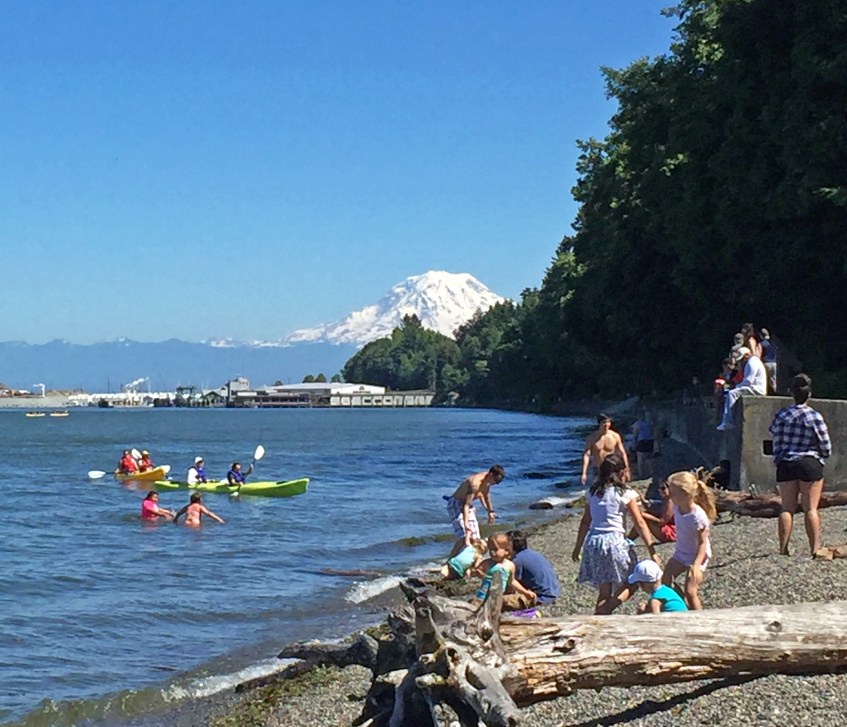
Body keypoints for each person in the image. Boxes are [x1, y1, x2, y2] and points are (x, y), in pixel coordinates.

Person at [572, 453, 659, 615]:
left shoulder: (593, 492)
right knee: (633, 581)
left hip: (594, 542)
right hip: (614, 542)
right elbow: (639, 522)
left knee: (604, 590)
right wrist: (651, 549)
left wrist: (578, 547)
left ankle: (601, 616)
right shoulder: (625, 493)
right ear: (621, 472)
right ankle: (607, 609)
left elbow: (585, 522)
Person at [769, 373, 831, 556]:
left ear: (792, 393)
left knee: (787, 507)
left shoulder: (781, 415)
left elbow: (774, 436)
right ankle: (814, 548)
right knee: (810, 508)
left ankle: (783, 548)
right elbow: (825, 444)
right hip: (809, 463)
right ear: (809, 394)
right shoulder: (814, 416)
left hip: (786, 463)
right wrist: (822, 456)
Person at [661, 470, 716, 610]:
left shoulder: (697, 516)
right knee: (665, 581)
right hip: (681, 553)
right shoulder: (677, 507)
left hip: (698, 555)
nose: (669, 494)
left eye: (672, 492)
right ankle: (683, 607)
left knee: (690, 591)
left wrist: (696, 566)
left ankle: (700, 620)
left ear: (685, 494)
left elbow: (702, 543)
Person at [444, 465, 506, 559]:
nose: (495, 484)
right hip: (456, 505)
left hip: (467, 506)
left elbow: (485, 495)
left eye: (498, 482)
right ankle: (450, 560)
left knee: (476, 538)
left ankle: (473, 560)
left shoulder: (487, 482)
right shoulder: (475, 483)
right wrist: (466, 524)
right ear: (490, 474)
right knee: (464, 536)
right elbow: (466, 505)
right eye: (496, 481)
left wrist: (490, 511)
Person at [471, 532, 536, 609]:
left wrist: (525, 592)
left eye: (495, 549)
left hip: (498, 597)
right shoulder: (487, 563)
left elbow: (512, 582)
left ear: (506, 551)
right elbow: (473, 572)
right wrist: (477, 573)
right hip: (482, 596)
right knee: (475, 609)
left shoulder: (510, 565)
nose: (492, 552)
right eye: (490, 549)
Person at [716, 346, 767, 430]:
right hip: (754, 387)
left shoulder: (752, 363)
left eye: (742, 359)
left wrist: (735, 387)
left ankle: (728, 422)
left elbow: (748, 381)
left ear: (746, 355)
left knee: (732, 393)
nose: (741, 361)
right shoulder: (752, 361)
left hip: (757, 389)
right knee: (733, 392)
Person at [507, 529, 559, 605]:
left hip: (541, 597)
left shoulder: (517, 561)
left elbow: (512, 584)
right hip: (553, 591)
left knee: (504, 601)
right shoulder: (533, 554)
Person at [580, 414, 630, 486]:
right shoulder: (592, 437)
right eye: (604, 422)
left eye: (608, 422)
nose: (606, 424)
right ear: (599, 423)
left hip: (612, 467)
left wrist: (626, 469)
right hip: (598, 468)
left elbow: (622, 453)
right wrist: (584, 473)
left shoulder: (615, 436)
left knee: (614, 488)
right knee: (598, 490)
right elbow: (586, 455)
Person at [629, 479, 675, 544]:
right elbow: (654, 513)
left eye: (663, 488)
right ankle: (629, 539)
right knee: (644, 516)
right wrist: (644, 503)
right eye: (660, 489)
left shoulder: (670, 502)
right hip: (668, 530)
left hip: (671, 533)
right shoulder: (666, 500)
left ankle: (629, 539)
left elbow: (662, 521)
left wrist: (643, 515)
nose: (661, 491)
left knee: (644, 518)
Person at [631, 413, 654, 480]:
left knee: (640, 458)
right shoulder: (648, 423)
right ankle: (651, 472)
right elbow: (651, 432)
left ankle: (641, 474)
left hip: (642, 441)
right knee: (648, 458)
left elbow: (635, 434)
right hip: (650, 441)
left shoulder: (637, 424)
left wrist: (633, 443)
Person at [759, 327, 778, 394]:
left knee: (765, 379)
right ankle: (774, 393)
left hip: (766, 363)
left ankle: (766, 393)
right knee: (773, 380)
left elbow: (759, 354)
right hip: (774, 363)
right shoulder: (773, 343)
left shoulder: (761, 344)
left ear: (761, 335)